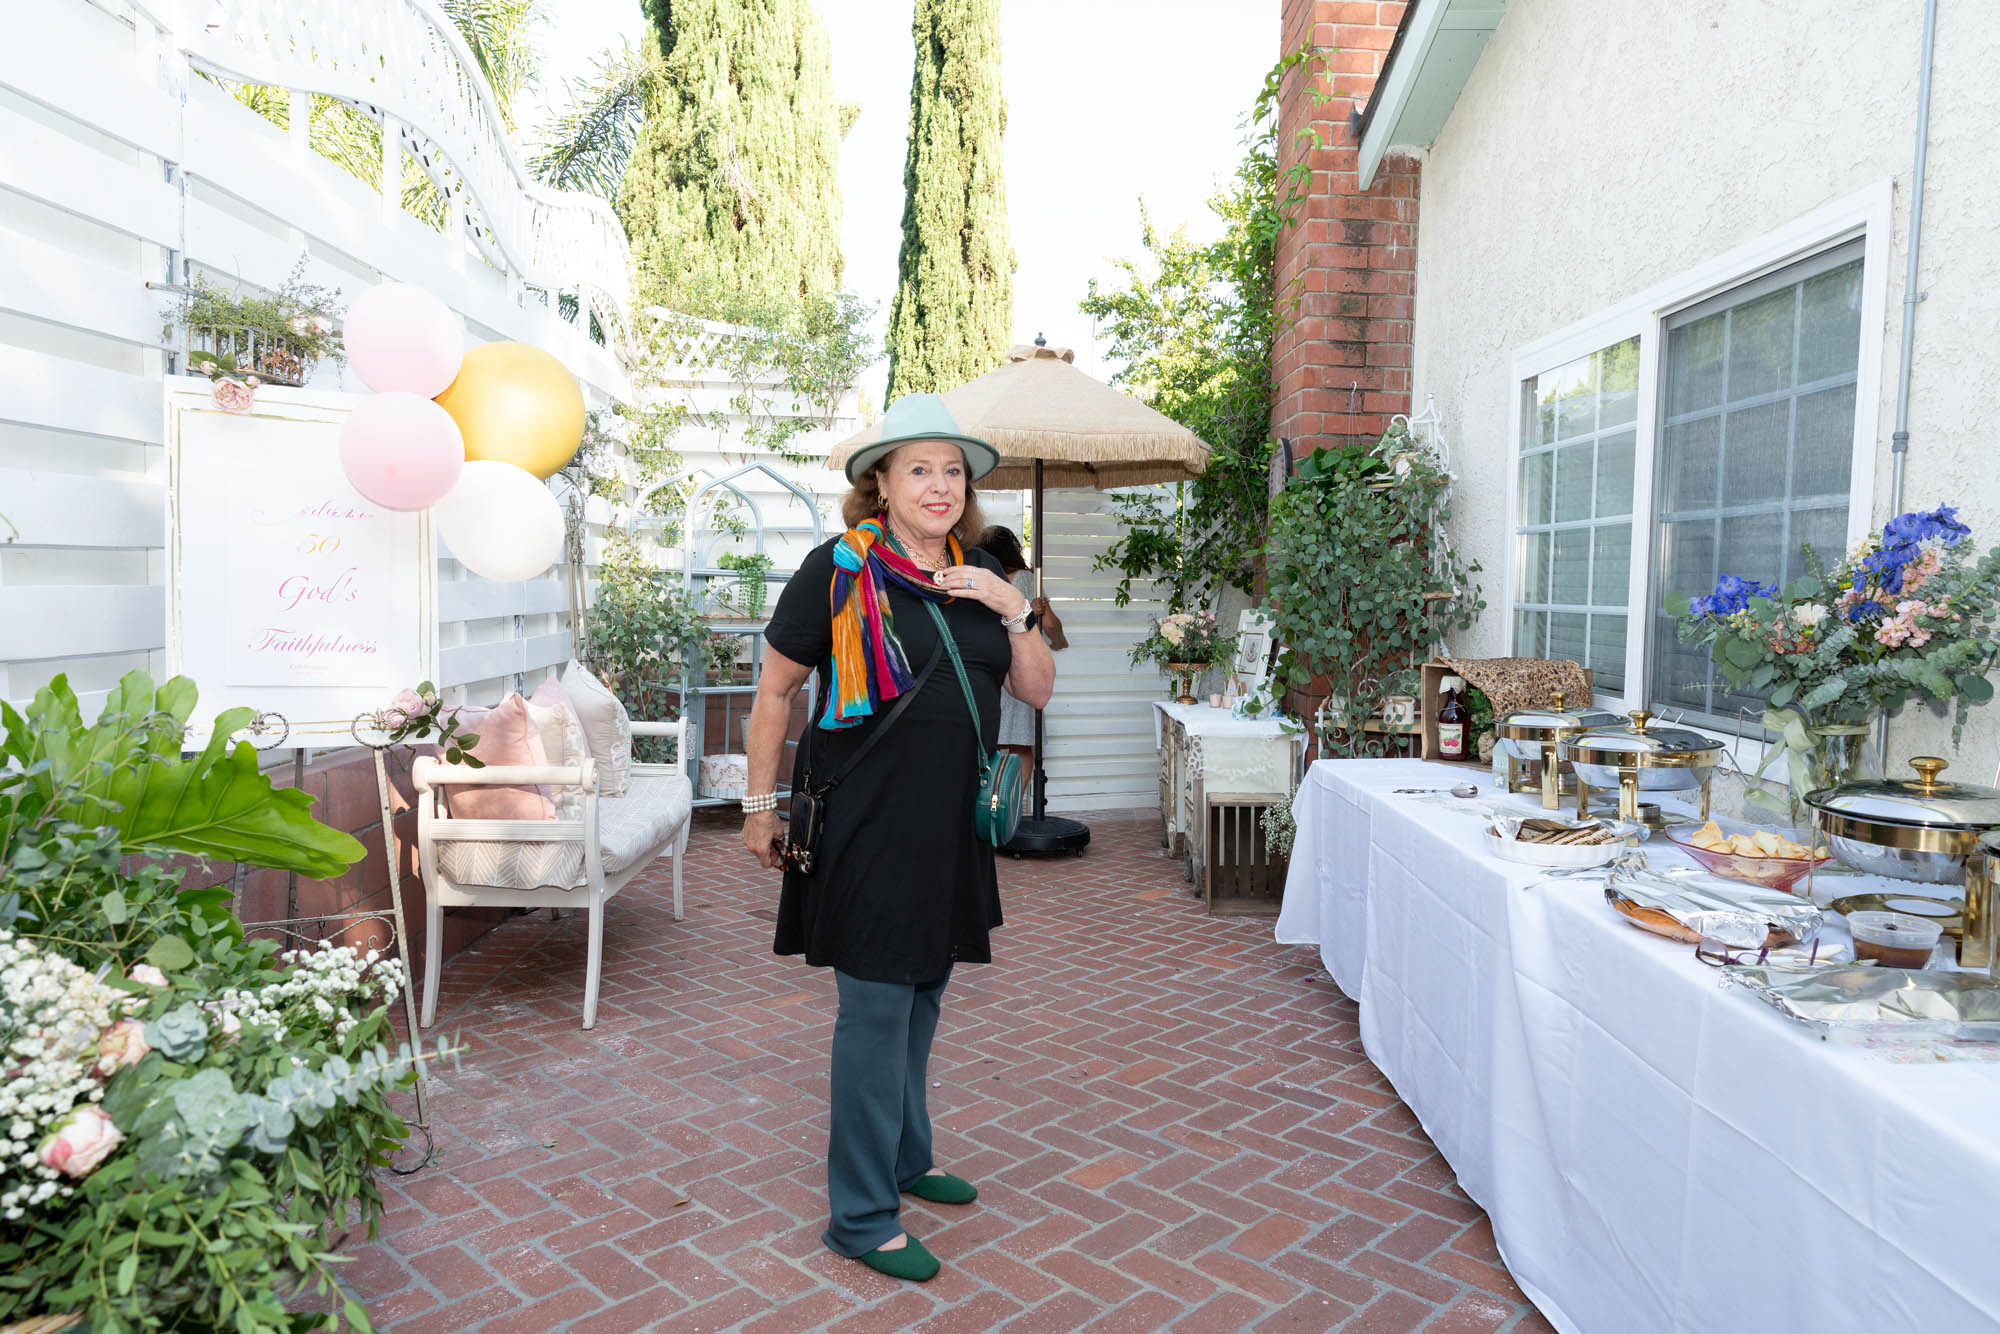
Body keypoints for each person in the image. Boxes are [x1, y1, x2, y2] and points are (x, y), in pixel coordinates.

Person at [739, 393, 1056, 1284]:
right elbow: (775, 692)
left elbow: (1036, 690)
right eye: (919, 468)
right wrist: (758, 805)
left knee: (922, 1000)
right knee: (877, 1014)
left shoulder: (982, 573)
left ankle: (909, 1160)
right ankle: (860, 1217)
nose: (939, 484)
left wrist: (1013, 605)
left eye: (953, 470)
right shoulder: (838, 570)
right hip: (868, 827)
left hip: (949, 828)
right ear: (880, 483)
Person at [973, 526, 1067, 785]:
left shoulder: (980, 581)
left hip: (987, 667)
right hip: (1021, 666)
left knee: (986, 742)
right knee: (1021, 743)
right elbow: (1051, 627)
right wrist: (1055, 636)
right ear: (1012, 549)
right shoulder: (1026, 579)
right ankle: (1010, 804)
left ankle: (986, 802)